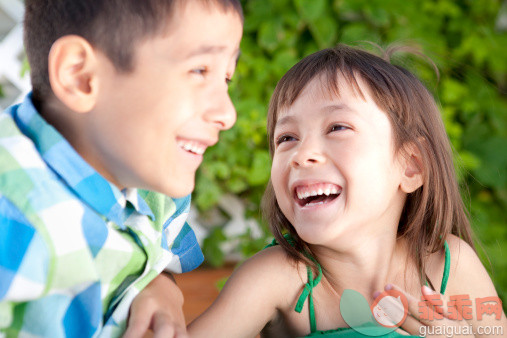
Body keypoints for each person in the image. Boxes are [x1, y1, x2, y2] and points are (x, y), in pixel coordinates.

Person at [187, 44, 507, 337]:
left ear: (410, 166)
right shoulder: (278, 279)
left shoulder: (449, 265)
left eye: (337, 127)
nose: (301, 154)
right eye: (286, 138)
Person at [0, 0, 243, 337]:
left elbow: (160, 257)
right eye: (200, 71)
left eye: (226, 77)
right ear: (81, 76)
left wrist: (160, 286)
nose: (227, 114)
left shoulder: (150, 180)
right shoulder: (14, 217)